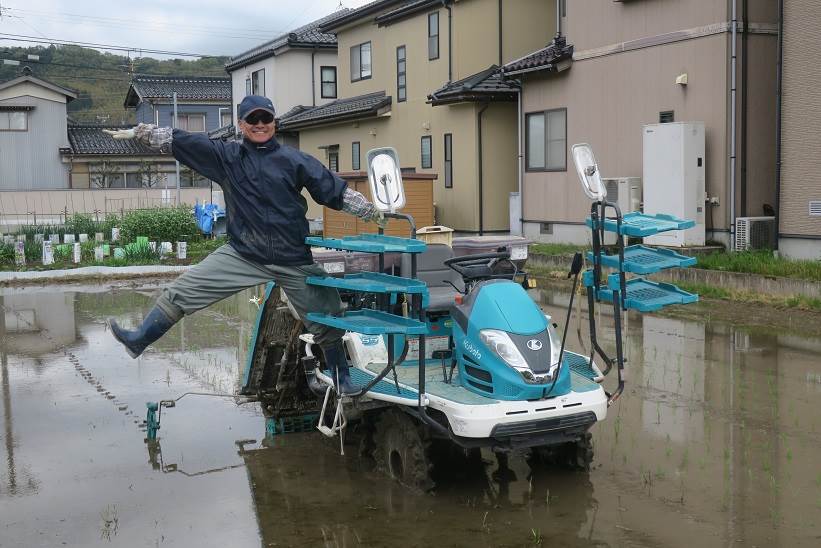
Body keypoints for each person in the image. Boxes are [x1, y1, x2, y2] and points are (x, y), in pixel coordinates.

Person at [103, 95, 384, 395]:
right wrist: (142, 132)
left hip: (292, 257)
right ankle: (138, 340)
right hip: (244, 254)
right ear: (241, 124)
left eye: (266, 119)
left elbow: (333, 189)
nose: (260, 125)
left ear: (274, 123)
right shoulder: (227, 157)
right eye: (253, 119)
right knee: (182, 291)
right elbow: (182, 141)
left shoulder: (295, 160)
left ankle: (342, 377)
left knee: (327, 312)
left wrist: (372, 210)